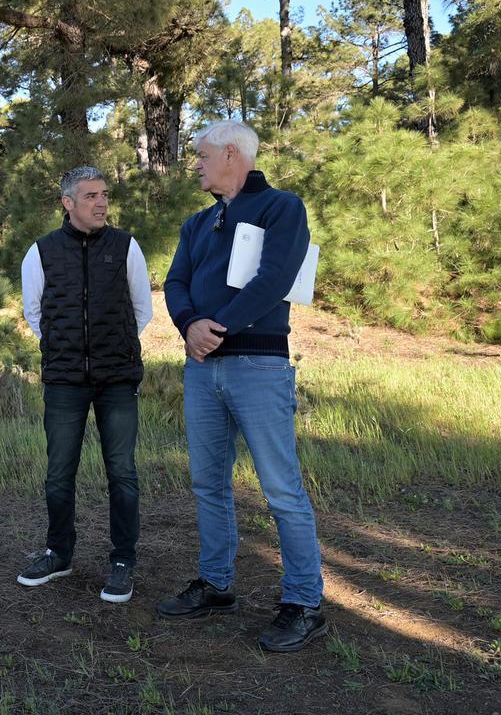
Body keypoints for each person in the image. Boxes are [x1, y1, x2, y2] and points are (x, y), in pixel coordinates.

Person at [159, 120, 325, 652]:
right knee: (208, 484)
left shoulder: (282, 208)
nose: (197, 164)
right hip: (202, 369)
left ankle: (304, 602)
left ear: (233, 154)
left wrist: (218, 328)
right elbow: (177, 281)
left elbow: (274, 279)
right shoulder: (197, 223)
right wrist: (189, 325)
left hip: (258, 366)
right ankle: (216, 584)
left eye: (204, 156)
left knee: (281, 490)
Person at [18, 165, 153, 603]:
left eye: (105, 195)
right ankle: (59, 553)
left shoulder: (126, 246)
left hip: (117, 379)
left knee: (123, 473)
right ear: (68, 203)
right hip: (64, 381)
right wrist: (62, 348)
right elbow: (33, 312)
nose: (101, 203)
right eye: (91, 196)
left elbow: (142, 309)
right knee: (59, 474)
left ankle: (122, 560)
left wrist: (114, 348)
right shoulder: (41, 252)